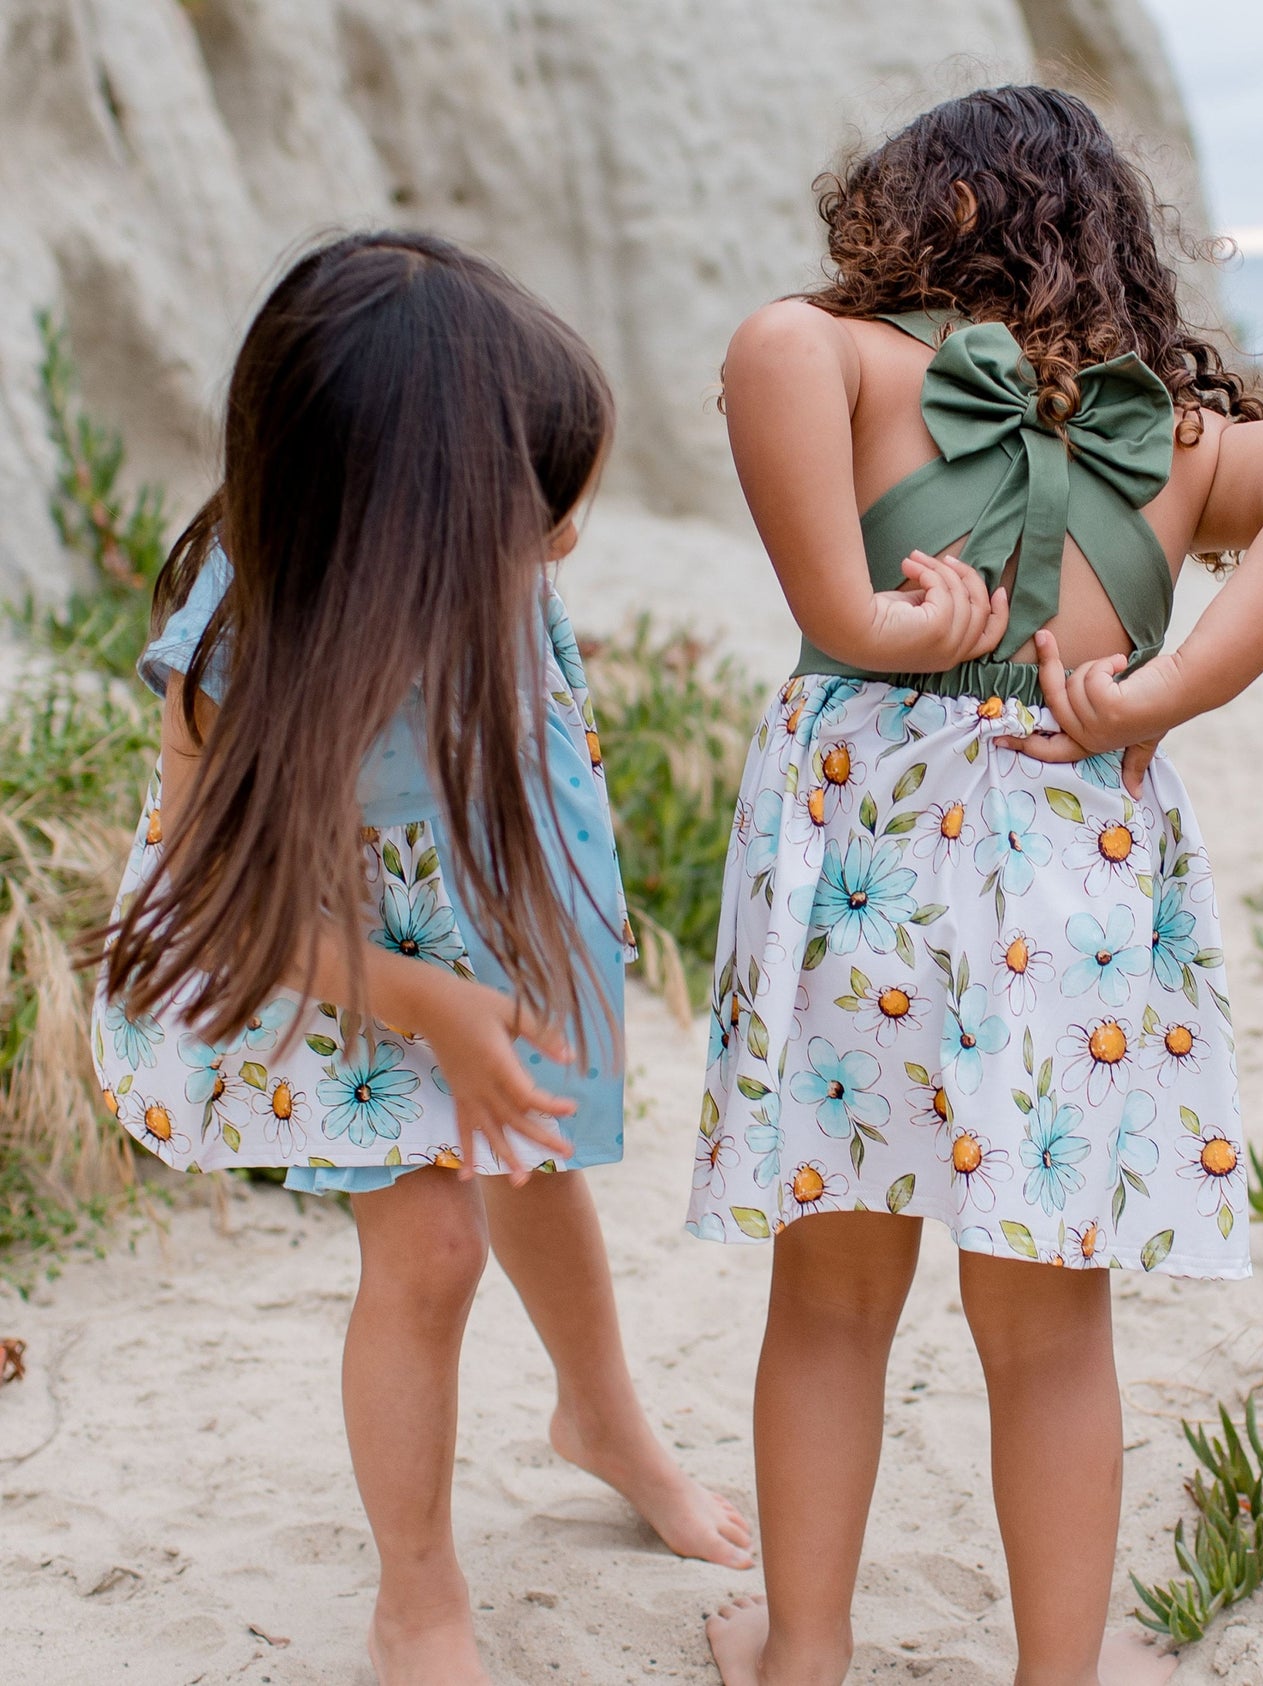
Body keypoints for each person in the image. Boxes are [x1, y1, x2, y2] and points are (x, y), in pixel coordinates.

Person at [688, 86, 1263, 1686]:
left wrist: (876, 630)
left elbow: (770, 357)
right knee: (1051, 1326)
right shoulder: (1170, 440)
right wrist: (1167, 687)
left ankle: (801, 1651)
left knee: (828, 1294)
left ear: (920, 209)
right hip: (1063, 867)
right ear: (1112, 243)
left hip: (868, 874)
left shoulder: (854, 358)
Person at [90, 230, 751, 1686]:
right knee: (435, 1247)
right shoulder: (244, 642)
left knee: (536, 1164)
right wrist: (418, 1000)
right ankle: (418, 1590)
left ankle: (603, 1419)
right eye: (537, 512)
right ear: (395, 523)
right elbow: (221, 897)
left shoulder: (470, 558)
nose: (565, 537)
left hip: (480, 913)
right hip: (325, 958)